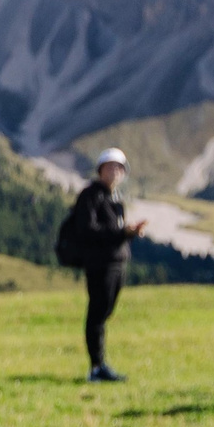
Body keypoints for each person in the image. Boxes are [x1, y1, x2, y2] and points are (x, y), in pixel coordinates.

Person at [65, 147, 145, 382]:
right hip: (99, 264)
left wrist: (129, 233)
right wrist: (122, 232)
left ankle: (99, 365)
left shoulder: (115, 198)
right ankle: (97, 367)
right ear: (100, 170)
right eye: (110, 167)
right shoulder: (91, 196)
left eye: (119, 168)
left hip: (116, 262)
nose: (114, 171)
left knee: (105, 312)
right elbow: (87, 230)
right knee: (97, 314)